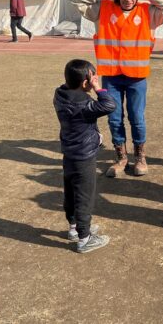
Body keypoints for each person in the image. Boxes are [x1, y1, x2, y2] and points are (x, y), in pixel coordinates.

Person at [70, 0, 163, 178]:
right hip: (111, 77)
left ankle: (140, 157)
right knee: (114, 119)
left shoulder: (149, 12)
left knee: (137, 118)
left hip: (137, 77)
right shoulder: (102, 9)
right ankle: (121, 158)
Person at [54, 59, 116, 253]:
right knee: (84, 197)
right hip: (84, 156)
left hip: (69, 153)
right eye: (92, 77)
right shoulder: (85, 104)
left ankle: (74, 228)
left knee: (71, 192)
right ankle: (84, 238)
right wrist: (98, 88)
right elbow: (109, 105)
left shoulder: (60, 94)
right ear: (85, 83)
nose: (95, 80)